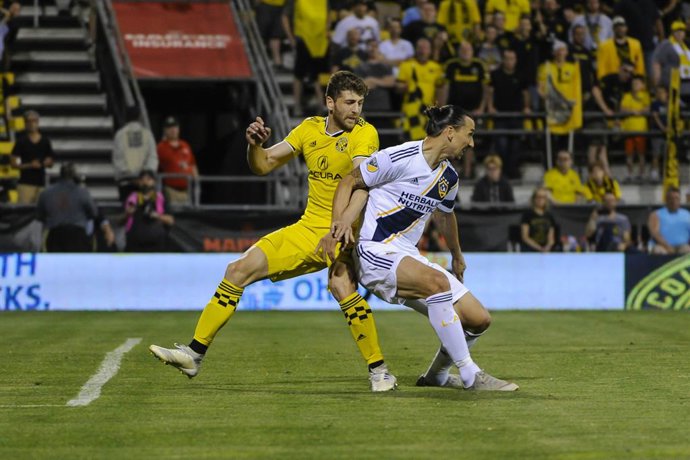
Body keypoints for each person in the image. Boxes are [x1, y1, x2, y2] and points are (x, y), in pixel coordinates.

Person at [149, 71, 397, 392]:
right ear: (330, 102)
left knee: (340, 284)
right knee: (237, 270)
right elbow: (263, 165)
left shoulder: (365, 135)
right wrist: (255, 145)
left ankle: (379, 369)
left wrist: (341, 227)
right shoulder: (308, 129)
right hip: (308, 228)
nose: (356, 109)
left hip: (348, 228)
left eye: (360, 103)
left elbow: (360, 183)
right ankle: (194, 354)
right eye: (350, 102)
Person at [322, 105, 518, 391]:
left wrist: (457, 255)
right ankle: (470, 374)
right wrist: (338, 224)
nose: (472, 143)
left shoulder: (449, 178)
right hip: (375, 251)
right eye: (470, 134)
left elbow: (445, 215)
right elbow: (350, 180)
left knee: (478, 319)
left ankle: (436, 377)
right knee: (437, 283)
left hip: (406, 255)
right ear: (450, 133)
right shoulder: (399, 156)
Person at [36, 163, 98, 252]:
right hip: (78, 236)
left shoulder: (46, 193)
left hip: (55, 236)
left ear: (60, 175)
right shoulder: (82, 192)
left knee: (56, 264)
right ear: (75, 176)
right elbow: (94, 213)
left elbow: (39, 216)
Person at [112, 105, 158, 202]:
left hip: (126, 183)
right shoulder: (147, 134)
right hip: (145, 184)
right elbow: (153, 157)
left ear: (126, 117)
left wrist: (131, 176)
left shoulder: (120, 134)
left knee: (129, 212)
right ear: (139, 117)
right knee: (145, 211)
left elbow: (118, 159)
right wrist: (144, 176)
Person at [10, 110, 54, 204]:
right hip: (25, 184)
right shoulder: (21, 142)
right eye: (29, 121)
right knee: (24, 214)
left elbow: (51, 160)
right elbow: (13, 163)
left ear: (38, 122)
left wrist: (47, 162)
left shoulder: (45, 141)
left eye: (34, 121)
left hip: (41, 183)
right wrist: (30, 165)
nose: (32, 124)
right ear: (25, 123)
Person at [124, 169, 174, 252]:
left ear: (154, 182)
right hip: (135, 247)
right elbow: (119, 221)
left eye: (148, 179)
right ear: (138, 182)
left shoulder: (161, 197)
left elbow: (171, 221)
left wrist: (157, 216)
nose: (145, 182)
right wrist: (127, 214)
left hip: (157, 247)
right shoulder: (132, 198)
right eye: (142, 180)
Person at [157, 116, 198, 206]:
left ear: (178, 129)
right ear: (165, 130)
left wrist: (197, 185)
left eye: (175, 127)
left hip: (187, 191)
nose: (173, 130)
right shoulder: (161, 147)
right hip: (171, 191)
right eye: (169, 128)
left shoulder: (185, 145)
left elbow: (193, 165)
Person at [620, 75, 650, 182]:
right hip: (628, 129)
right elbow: (622, 109)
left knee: (641, 154)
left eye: (637, 83)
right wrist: (633, 111)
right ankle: (630, 174)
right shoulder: (627, 96)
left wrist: (639, 112)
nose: (635, 85)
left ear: (643, 85)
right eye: (633, 84)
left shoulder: (645, 95)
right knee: (629, 154)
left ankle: (641, 174)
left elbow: (647, 108)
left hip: (641, 130)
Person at [648, 186, 690, 255]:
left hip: (682, 247)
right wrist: (668, 246)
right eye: (671, 198)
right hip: (662, 246)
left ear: (680, 200)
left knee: (687, 249)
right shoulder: (656, 214)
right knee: (658, 250)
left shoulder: (687, 215)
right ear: (666, 199)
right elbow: (655, 233)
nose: (674, 201)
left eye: (676, 198)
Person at [520, 187, 557, 252]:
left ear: (546, 200)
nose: (541, 199)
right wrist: (539, 248)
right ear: (534, 198)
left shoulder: (550, 216)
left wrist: (547, 247)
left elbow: (551, 238)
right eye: (538, 197)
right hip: (530, 248)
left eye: (543, 197)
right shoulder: (527, 214)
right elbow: (525, 237)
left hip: (546, 249)